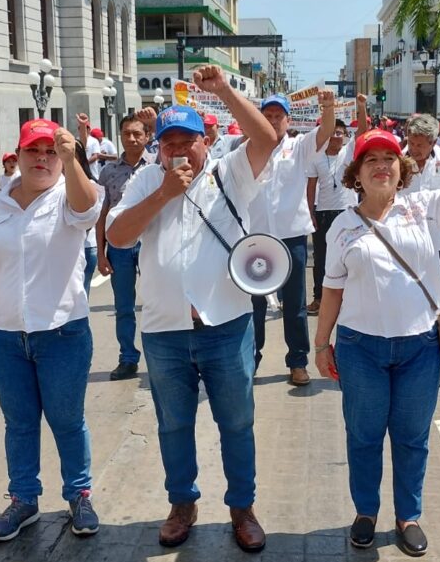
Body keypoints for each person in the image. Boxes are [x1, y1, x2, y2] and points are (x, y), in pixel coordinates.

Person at [105, 65, 280, 553]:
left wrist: (223, 89)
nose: (179, 150)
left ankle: (242, 507)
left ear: (206, 140)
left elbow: (265, 139)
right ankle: (182, 503)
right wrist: (164, 192)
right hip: (165, 332)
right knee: (174, 424)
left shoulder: (231, 173)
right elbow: (117, 236)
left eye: (188, 141)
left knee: (237, 422)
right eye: (170, 143)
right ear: (158, 147)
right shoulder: (145, 182)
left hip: (225, 326)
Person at [312, 114, 440, 556]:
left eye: (389, 158)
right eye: (370, 159)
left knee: (412, 437)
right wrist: (321, 344)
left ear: (402, 168)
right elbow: (331, 290)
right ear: (356, 175)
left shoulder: (422, 206)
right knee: (364, 435)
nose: (381, 166)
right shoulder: (342, 226)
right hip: (360, 350)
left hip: (421, 347)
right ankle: (366, 513)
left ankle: (408, 515)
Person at [0, 118, 102, 542]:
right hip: (5, 336)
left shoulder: (68, 194)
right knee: (18, 423)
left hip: (62, 334)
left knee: (66, 421)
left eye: (50, 152)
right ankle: (24, 499)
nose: (42, 159)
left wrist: (72, 156)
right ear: (18, 156)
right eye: (32, 151)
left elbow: (88, 210)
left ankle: (79, 495)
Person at [247, 91, 336, 385]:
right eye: (267, 116)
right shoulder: (247, 149)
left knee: (295, 305)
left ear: (288, 120)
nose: (273, 121)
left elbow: (325, 131)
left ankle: (298, 362)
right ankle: (251, 358)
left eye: (278, 116)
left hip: (292, 237)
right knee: (254, 304)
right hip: (256, 240)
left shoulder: (299, 147)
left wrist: (328, 107)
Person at [97, 112, 153, 380]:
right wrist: (100, 252)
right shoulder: (109, 172)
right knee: (124, 306)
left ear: (147, 136)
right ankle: (128, 358)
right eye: (126, 134)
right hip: (119, 248)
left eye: (137, 133)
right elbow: (102, 213)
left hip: (150, 243)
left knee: (158, 300)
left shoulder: (156, 166)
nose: (131, 139)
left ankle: (160, 356)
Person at [399, 111, 440, 280]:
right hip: (404, 245)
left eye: (420, 145)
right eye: (412, 143)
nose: (414, 149)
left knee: (439, 302)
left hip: (438, 244)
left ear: (433, 142)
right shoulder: (397, 161)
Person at [305, 117, 356, 315]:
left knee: (349, 256)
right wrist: (310, 213)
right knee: (321, 258)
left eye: (339, 133)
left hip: (347, 213)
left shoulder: (348, 153)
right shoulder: (316, 157)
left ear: (345, 136)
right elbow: (311, 187)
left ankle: (349, 299)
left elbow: (362, 129)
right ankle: (319, 298)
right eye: (332, 132)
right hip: (323, 213)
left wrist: (360, 108)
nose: (336, 136)